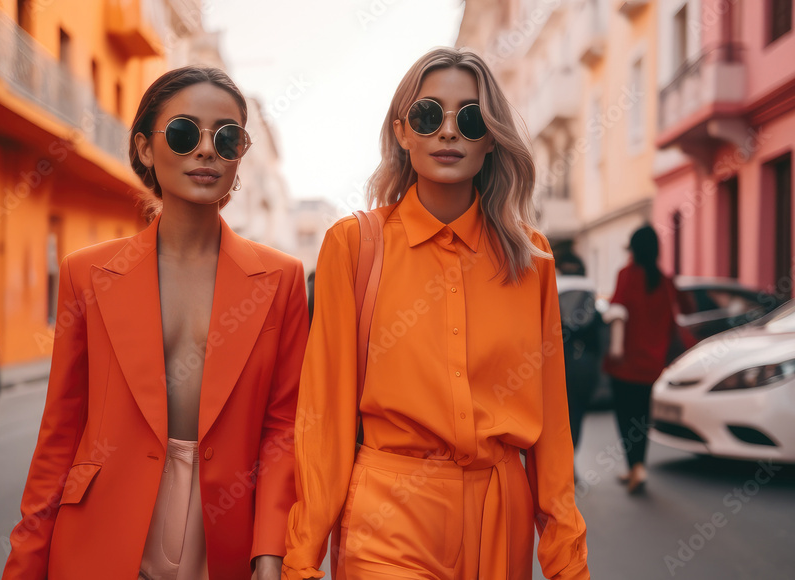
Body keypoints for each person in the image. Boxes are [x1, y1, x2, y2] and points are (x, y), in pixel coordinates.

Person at [282, 47, 589, 580]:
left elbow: (553, 428)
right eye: (429, 116)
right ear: (403, 132)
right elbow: (324, 415)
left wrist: (568, 561)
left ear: (491, 138)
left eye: (469, 119)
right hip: (389, 514)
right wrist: (302, 557)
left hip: (501, 517)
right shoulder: (354, 245)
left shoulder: (530, 258)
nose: (448, 132)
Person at [1, 66, 309, 580]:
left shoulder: (282, 278)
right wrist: (25, 564)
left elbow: (283, 429)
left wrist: (271, 550)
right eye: (186, 132)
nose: (207, 150)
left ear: (240, 154)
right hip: (101, 533)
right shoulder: (87, 273)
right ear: (145, 148)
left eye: (227, 138)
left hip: (229, 533)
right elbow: (59, 434)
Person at [602, 224, 678, 495]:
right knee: (642, 418)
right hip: (652, 364)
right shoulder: (665, 280)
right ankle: (637, 466)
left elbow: (617, 312)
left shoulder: (627, 274)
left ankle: (635, 466)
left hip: (626, 363)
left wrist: (616, 348)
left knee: (625, 417)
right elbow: (673, 320)